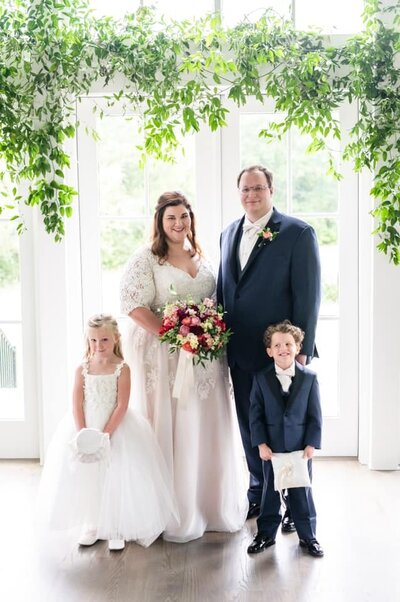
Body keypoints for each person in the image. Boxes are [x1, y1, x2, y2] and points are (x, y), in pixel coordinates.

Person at [120, 191, 247, 543]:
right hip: (165, 356)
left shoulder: (201, 256)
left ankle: (206, 504)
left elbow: (213, 300)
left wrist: (202, 335)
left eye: (184, 217)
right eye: (171, 218)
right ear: (160, 222)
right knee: (170, 422)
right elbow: (133, 305)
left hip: (204, 355)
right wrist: (176, 334)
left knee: (203, 424)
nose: (179, 224)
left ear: (192, 219)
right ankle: (171, 509)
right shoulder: (147, 258)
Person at [217, 164, 321, 525]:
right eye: (245, 189)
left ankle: (295, 505)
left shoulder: (297, 233)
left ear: (271, 190)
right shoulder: (228, 233)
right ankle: (259, 495)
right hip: (241, 354)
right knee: (252, 428)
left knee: (289, 431)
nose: (251, 195)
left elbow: (308, 296)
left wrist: (301, 352)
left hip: (282, 355)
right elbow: (227, 291)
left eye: (258, 188)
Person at [37, 314, 178, 551]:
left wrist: (105, 435)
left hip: (115, 427)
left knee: (116, 473)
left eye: (104, 340)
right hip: (87, 425)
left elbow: (122, 405)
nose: (98, 346)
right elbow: (76, 403)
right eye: (93, 341)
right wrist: (84, 434)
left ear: (115, 339)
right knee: (90, 476)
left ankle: (116, 526)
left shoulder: (122, 368)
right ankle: (92, 523)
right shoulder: (81, 369)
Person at [247, 320, 324, 557]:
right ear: (269, 351)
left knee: (302, 493)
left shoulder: (310, 378)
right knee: (270, 492)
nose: (283, 349)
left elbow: (315, 415)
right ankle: (265, 535)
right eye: (277, 345)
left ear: (298, 347)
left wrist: (311, 444)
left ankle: (308, 536)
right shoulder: (260, 379)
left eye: (289, 344)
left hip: (301, 449)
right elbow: (255, 415)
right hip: (272, 449)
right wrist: (260, 444)